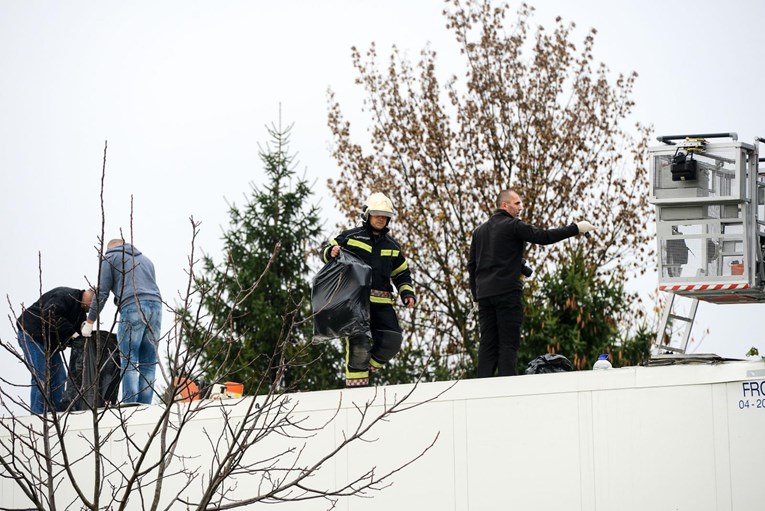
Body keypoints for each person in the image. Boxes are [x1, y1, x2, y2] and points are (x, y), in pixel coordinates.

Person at [467, 189, 596, 377]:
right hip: (507, 293)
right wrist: (576, 228)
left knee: (487, 345)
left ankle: (482, 388)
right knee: (508, 344)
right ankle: (506, 388)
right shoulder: (513, 226)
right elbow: (543, 237)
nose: (521, 207)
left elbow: (472, 266)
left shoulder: (478, 232)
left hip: (485, 296)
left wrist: (476, 297)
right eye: (517, 203)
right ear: (504, 205)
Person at [321, 192, 416, 387]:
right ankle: (356, 391)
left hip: (382, 304)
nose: (381, 219)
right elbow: (327, 251)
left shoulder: (393, 246)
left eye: (384, 216)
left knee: (393, 341)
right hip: (356, 304)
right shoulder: (351, 237)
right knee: (359, 346)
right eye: (377, 214)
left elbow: (401, 274)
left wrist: (407, 293)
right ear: (367, 215)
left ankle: (367, 370)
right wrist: (331, 251)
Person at [83, 239, 162, 404]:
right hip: (156, 308)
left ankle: (130, 404)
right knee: (148, 361)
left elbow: (102, 293)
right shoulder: (147, 260)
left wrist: (90, 321)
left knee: (129, 358)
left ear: (109, 249)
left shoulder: (110, 258)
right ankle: (145, 405)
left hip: (133, 306)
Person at [16, 287, 94, 414]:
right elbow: (49, 315)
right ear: (89, 297)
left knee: (59, 376)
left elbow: (76, 336)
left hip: (48, 342)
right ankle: (38, 415)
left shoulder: (80, 313)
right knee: (42, 376)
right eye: (93, 305)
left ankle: (56, 414)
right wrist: (71, 333)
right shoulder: (66, 296)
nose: (91, 309)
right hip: (32, 333)